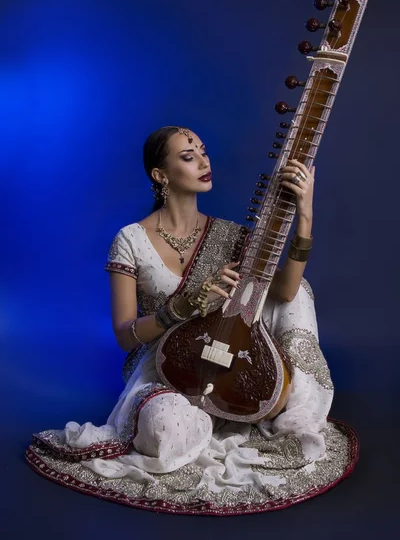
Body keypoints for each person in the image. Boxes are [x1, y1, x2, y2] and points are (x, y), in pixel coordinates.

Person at [26, 126, 359, 516]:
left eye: (203, 151)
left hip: (227, 360)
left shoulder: (230, 235)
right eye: (188, 156)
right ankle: (210, 419)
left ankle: (284, 411)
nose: (204, 161)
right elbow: (124, 336)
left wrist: (305, 216)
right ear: (160, 175)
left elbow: (285, 294)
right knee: (164, 429)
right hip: (162, 368)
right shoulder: (131, 240)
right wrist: (180, 308)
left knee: (300, 291)